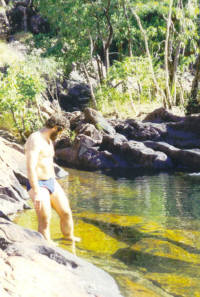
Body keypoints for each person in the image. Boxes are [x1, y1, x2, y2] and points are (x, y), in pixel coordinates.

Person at [25, 114, 79, 244]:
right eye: (61, 132)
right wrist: (36, 192)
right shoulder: (35, 140)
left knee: (66, 213)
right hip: (38, 184)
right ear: (55, 128)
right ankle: (47, 248)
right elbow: (30, 167)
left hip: (51, 181)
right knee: (45, 219)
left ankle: (68, 239)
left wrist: (55, 182)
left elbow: (48, 162)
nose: (61, 136)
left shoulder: (49, 139)